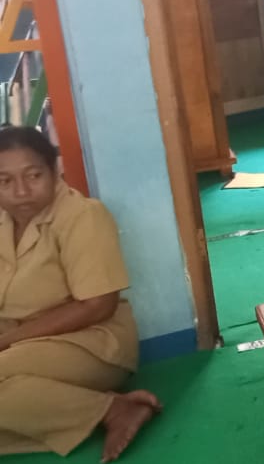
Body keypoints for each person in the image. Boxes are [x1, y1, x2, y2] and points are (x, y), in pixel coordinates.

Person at [0, 127, 160, 461]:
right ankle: (59, 411)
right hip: (18, 343)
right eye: (5, 181)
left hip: (92, 342)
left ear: (54, 169)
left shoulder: (82, 216)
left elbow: (98, 306)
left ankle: (112, 410)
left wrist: (9, 339)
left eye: (33, 176)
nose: (21, 192)